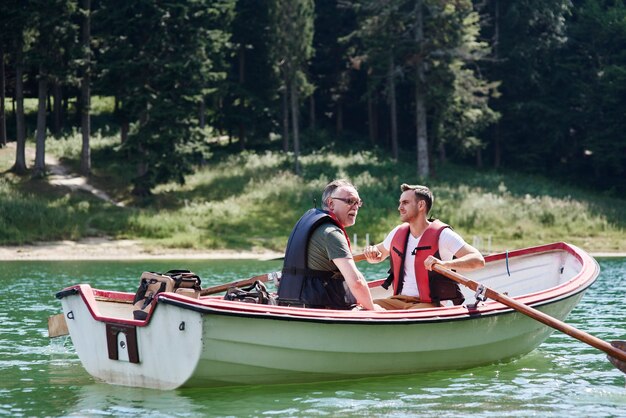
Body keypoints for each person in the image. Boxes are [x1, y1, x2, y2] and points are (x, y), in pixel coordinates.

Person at [363, 183, 485, 310]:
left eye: (405, 203)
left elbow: (478, 260)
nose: (399, 207)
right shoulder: (397, 232)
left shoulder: (443, 235)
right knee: (365, 307)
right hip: (399, 300)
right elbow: (379, 252)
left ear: (421, 205)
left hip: (430, 303)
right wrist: (372, 252)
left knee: (407, 317)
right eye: (400, 203)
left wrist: (445, 264)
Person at [278, 179, 383, 310]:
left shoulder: (308, 226)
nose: (355, 206)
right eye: (350, 201)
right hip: (320, 307)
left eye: (358, 202)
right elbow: (357, 282)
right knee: (379, 308)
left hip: (293, 303)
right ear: (331, 203)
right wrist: (373, 310)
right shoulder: (331, 233)